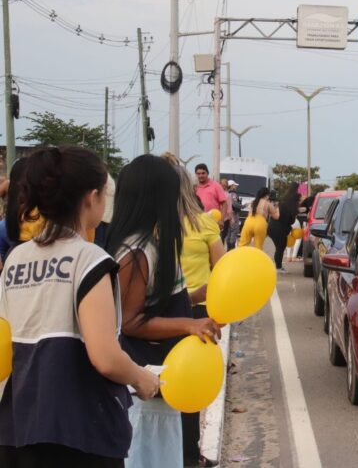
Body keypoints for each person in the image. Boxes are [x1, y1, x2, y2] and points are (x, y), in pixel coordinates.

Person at [0, 146, 160, 467]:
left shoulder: (16, 258)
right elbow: (104, 357)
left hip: (17, 424)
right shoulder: (90, 260)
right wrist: (142, 378)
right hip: (79, 430)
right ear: (91, 197)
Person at [106, 155, 222, 468]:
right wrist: (188, 325)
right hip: (146, 385)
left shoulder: (153, 245)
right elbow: (130, 322)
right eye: (172, 194)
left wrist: (198, 299)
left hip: (165, 382)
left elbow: (160, 299)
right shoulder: (136, 251)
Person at [176, 165, 224, 467]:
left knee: (189, 383)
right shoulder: (154, 225)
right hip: (174, 308)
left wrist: (218, 311)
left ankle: (189, 453)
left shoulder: (205, 224)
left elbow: (221, 269)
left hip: (197, 310)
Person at [267, 184, 299, 273]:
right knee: (280, 248)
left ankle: (279, 266)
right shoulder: (290, 207)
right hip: (278, 229)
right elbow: (291, 221)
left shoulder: (283, 202)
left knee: (280, 247)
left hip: (274, 227)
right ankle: (278, 267)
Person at [226, 180, 242, 250]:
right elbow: (235, 204)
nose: (236, 187)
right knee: (234, 231)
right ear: (232, 186)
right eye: (235, 185)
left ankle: (228, 248)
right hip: (234, 214)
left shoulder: (226, 193)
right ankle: (231, 248)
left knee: (229, 231)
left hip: (227, 214)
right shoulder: (233, 194)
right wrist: (243, 206)